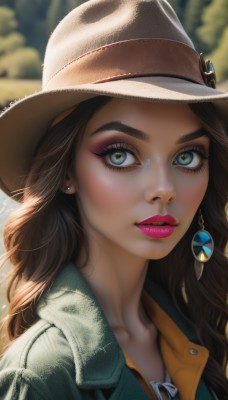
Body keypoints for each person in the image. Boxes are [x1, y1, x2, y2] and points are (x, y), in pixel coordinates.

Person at [0, 0, 227, 399]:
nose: (164, 187)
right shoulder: (41, 375)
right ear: (67, 172)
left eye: (187, 156)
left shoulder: (190, 328)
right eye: (120, 154)